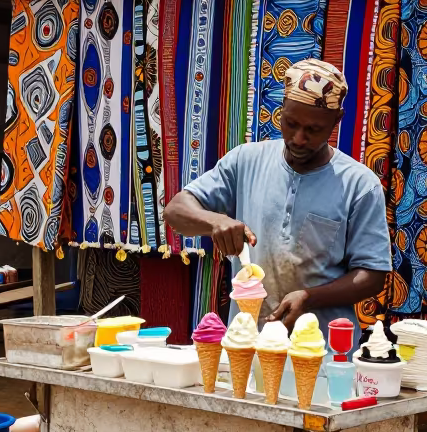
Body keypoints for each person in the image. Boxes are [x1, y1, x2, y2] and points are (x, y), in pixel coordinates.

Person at [164, 59, 392, 337]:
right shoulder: (245, 160)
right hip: (248, 346)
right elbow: (175, 211)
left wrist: (310, 297)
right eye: (291, 123)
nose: (298, 138)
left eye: (313, 130)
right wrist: (215, 220)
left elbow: (372, 276)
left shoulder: (360, 185)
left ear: (337, 119)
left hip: (323, 355)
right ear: (281, 110)